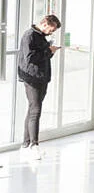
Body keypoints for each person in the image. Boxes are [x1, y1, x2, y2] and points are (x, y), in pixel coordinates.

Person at [17, 14, 61, 159]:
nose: (51, 32)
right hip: (32, 78)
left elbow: (42, 56)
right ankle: (33, 145)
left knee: (32, 110)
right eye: (51, 29)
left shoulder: (40, 36)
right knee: (35, 111)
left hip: (41, 78)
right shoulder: (30, 36)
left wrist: (50, 51)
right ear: (44, 24)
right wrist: (49, 51)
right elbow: (30, 58)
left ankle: (26, 144)